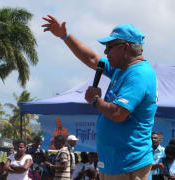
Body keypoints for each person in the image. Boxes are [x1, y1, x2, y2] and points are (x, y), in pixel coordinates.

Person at [42, 14, 157, 180]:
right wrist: (65, 36)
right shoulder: (122, 69)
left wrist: (95, 100)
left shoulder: (139, 75)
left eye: (109, 46)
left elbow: (118, 113)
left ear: (124, 47)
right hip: (115, 164)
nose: (105, 51)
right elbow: (92, 58)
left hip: (128, 165)